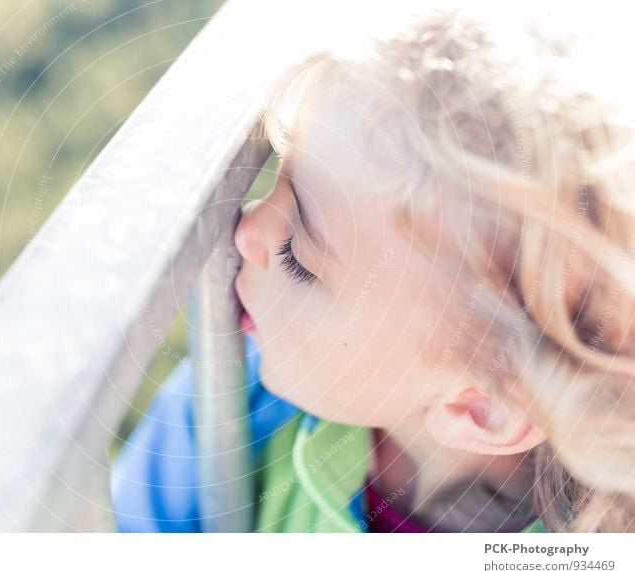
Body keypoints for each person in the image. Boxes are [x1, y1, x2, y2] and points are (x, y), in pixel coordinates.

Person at [111, 8, 635, 532]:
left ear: (482, 409)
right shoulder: (236, 398)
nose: (246, 231)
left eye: (298, 259)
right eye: (279, 178)